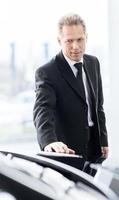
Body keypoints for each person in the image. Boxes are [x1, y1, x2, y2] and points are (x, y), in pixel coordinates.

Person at [33, 13, 109, 165]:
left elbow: (98, 106)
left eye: (80, 39)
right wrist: (49, 142)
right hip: (67, 152)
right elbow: (42, 110)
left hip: (95, 150)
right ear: (59, 40)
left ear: (86, 37)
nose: (76, 46)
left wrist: (103, 140)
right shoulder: (47, 72)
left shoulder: (93, 63)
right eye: (69, 41)